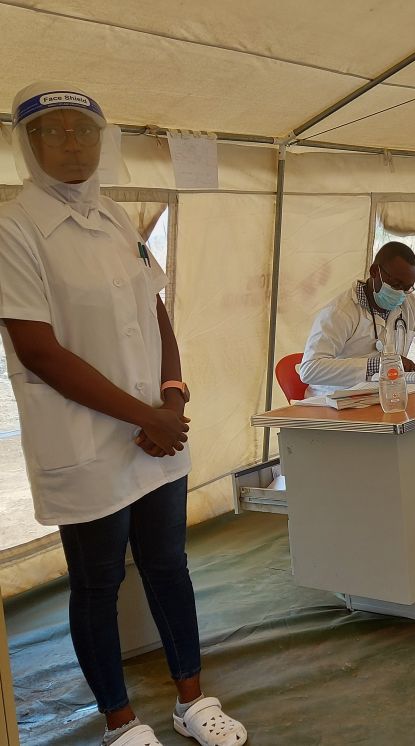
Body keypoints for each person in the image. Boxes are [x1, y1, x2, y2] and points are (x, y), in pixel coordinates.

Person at [0, 83, 246, 746]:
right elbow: (39, 351)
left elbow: (156, 308)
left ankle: (191, 701)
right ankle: (120, 722)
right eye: (54, 132)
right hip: (85, 442)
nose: (73, 144)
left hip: (152, 435)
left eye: (84, 131)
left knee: (168, 564)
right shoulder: (13, 228)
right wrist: (149, 414)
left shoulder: (111, 216)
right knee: (98, 581)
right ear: (27, 144)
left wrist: (170, 395)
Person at [299, 241, 415, 396]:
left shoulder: (411, 304)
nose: (401, 293)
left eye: (407, 288)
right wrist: (380, 366)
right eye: (396, 284)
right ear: (374, 272)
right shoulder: (340, 312)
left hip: (386, 399)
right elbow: (310, 369)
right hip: (333, 404)